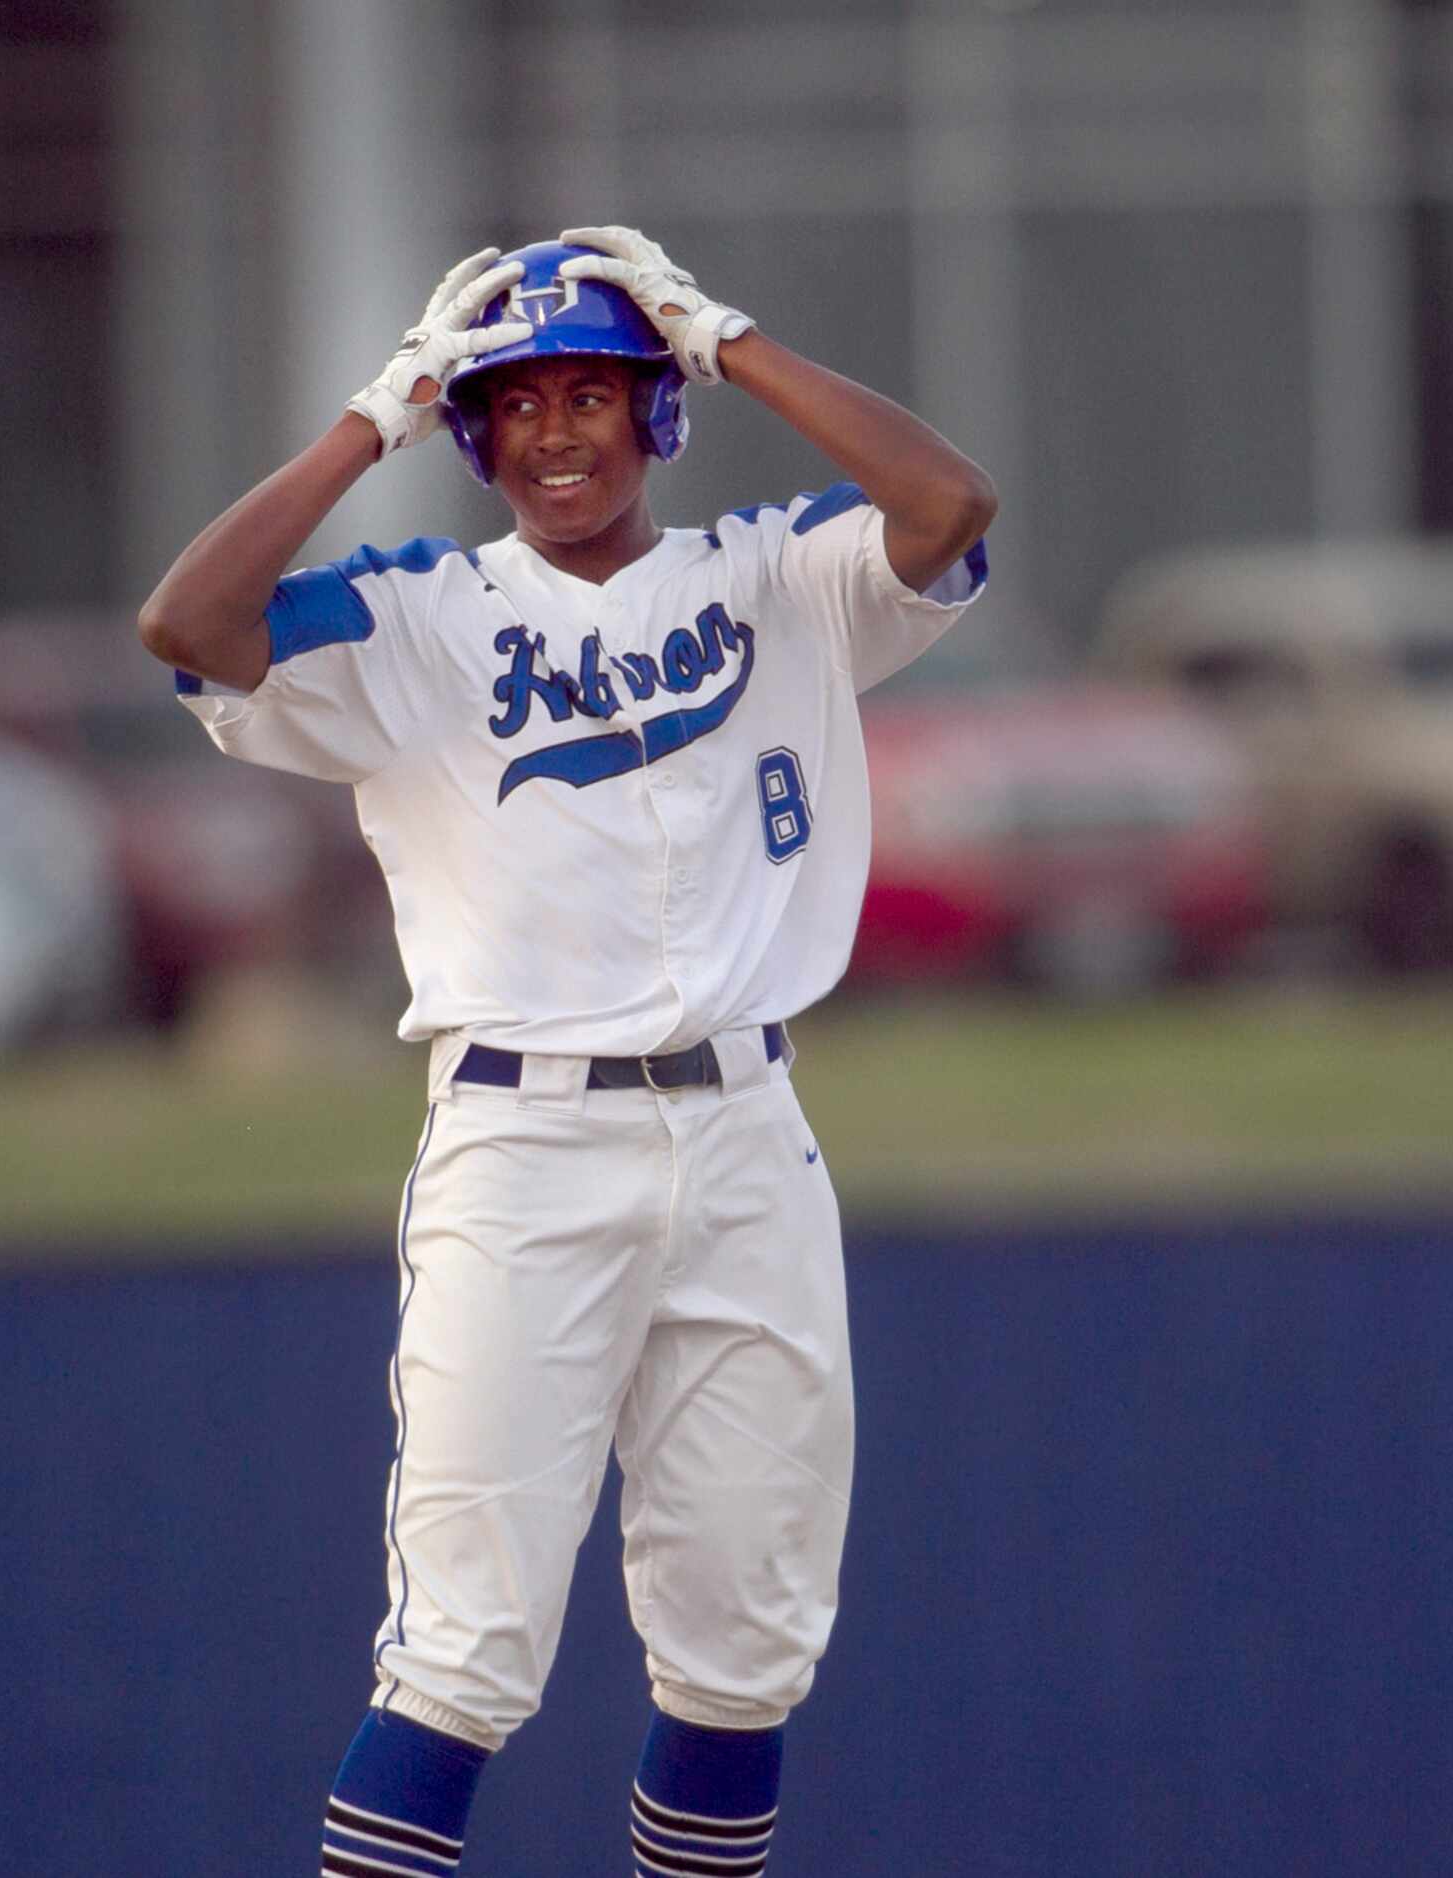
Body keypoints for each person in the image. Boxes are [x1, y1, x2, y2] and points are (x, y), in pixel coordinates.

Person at [138, 226, 996, 1878]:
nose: (550, 433)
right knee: (460, 1654)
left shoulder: (781, 573)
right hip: (523, 1148)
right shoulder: (419, 614)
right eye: (513, 402)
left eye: (590, 393)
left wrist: (718, 334)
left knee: (745, 1650)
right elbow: (188, 620)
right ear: (470, 431)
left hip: (749, 1128)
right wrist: (370, 416)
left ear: (652, 411)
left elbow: (948, 508)